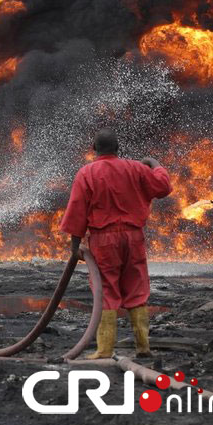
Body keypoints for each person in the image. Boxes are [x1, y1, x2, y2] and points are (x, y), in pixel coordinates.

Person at [60, 129, 172, 359]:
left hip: (104, 240)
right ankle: (143, 347)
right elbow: (163, 187)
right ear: (118, 148)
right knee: (137, 287)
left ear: (94, 148)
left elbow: (77, 211)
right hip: (134, 237)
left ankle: (104, 350)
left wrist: (75, 245)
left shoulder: (87, 173)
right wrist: (154, 163)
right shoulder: (136, 168)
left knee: (107, 290)